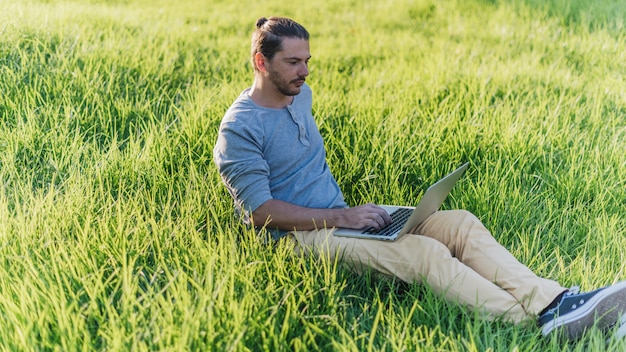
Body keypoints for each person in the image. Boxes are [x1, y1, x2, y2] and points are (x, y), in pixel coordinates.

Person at [213, 16, 626, 340]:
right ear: (260, 62)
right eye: (293, 62)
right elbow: (259, 214)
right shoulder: (240, 129)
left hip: (342, 217)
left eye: (307, 61)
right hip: (297, 240)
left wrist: (351, 216)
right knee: (425, 254)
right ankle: (537, 325)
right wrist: (343, 218)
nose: (305, 72)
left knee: (459, 223)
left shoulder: (298, 94)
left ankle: (555, 302)